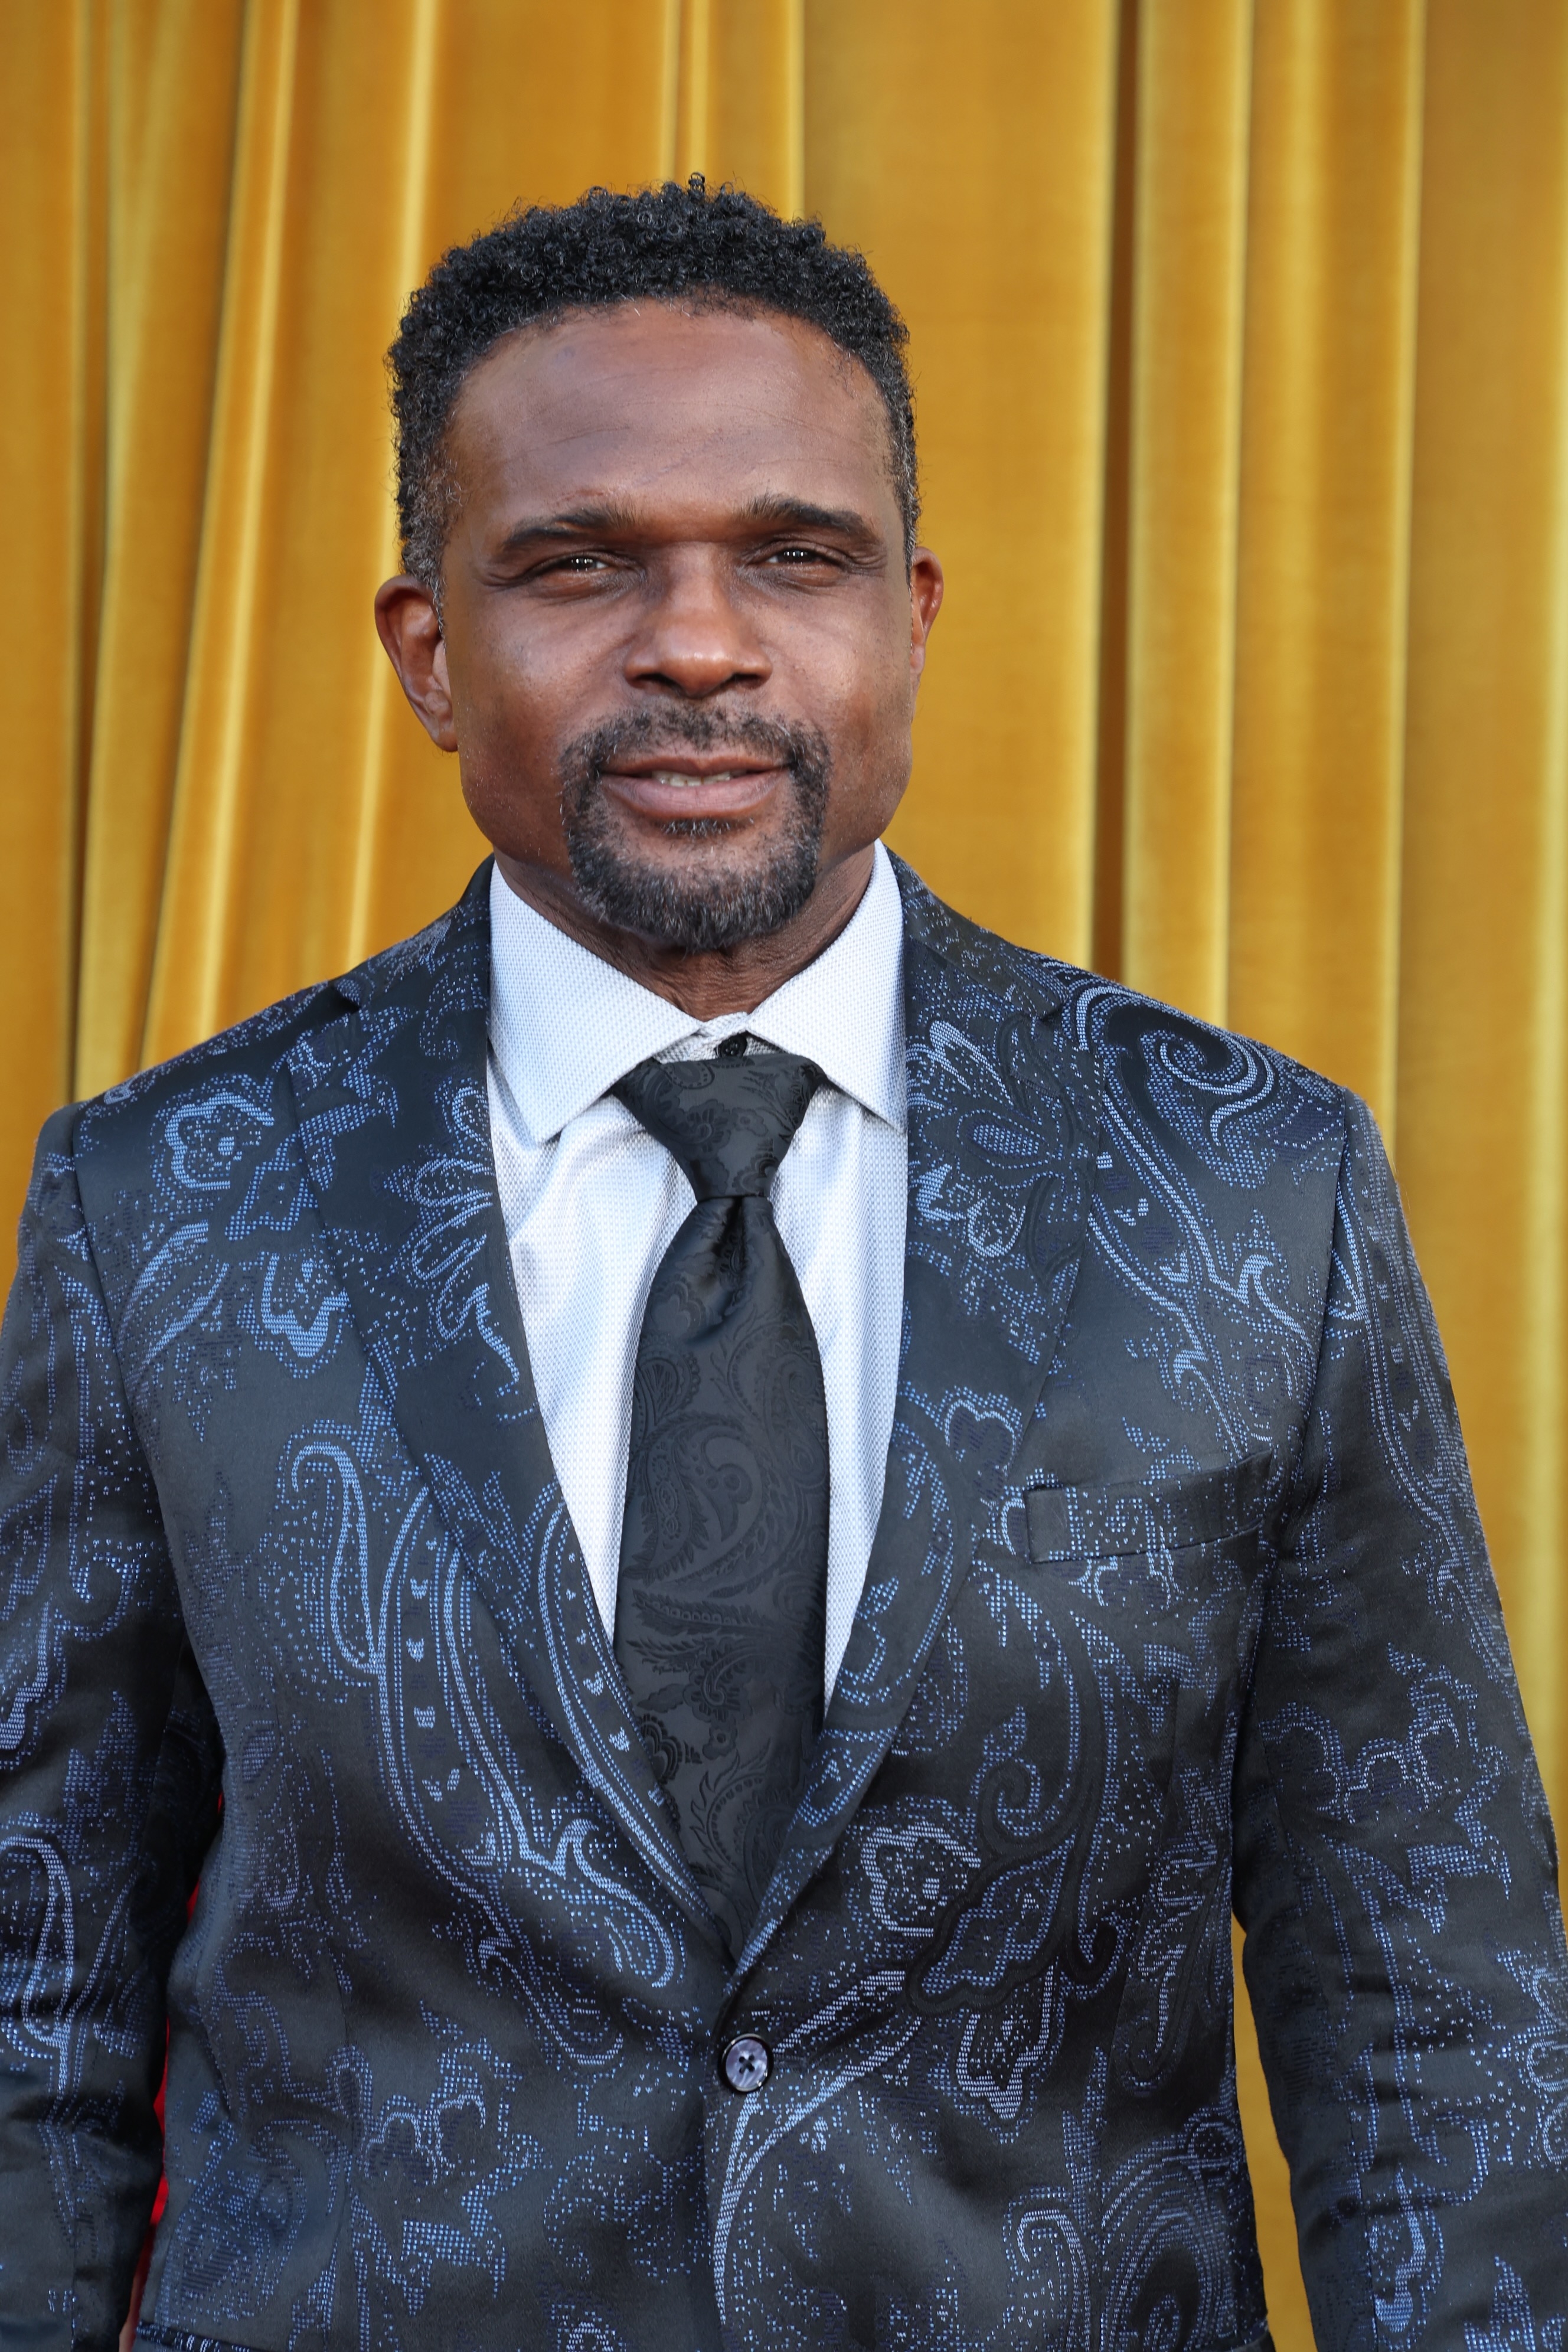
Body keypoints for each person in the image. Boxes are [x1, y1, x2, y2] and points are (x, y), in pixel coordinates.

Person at [1, 177, 1563, 2352]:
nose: (704, 643)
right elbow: (32, 1987)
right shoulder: (163, 1199)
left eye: (793, 556)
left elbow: (1433, 2012)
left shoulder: (1250, 1186)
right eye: (579, 563)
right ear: (428, 650)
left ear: (913, 614)